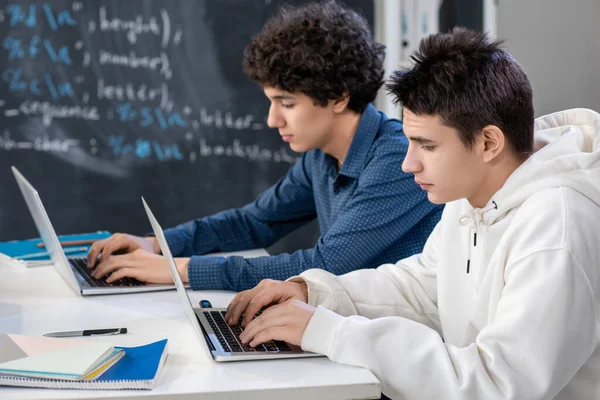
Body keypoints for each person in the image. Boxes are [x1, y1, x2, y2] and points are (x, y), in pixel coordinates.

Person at [225, 27, 600, 399]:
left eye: (427, 145)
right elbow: (422, 287)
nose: (409, 164)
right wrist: (313, 292)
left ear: (488, 142)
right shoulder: (470, 195)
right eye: (409, 142)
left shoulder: (556, 228)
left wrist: (332, 332)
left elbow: (499, 385)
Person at [86, 1, 442, 292]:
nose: (273, 120)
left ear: (338, 97)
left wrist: (179, 269)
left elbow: (324, 266)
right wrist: (157, 245)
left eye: (286, 104)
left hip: (396, 345)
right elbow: (254, 223)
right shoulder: (321, 156)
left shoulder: (398, 159)